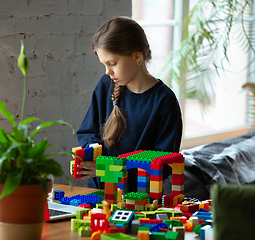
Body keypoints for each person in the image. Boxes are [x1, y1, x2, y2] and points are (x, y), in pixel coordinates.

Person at [76, 17, 183, 192]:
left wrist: (110, 169)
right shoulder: (105, 85)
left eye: (112, 63)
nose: (107, 71)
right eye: (104, 64)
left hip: (138, 201)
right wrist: (91, 149)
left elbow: (164, 164)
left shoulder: (164, 101)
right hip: (99, 193)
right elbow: (88, 131)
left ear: (136, 56)